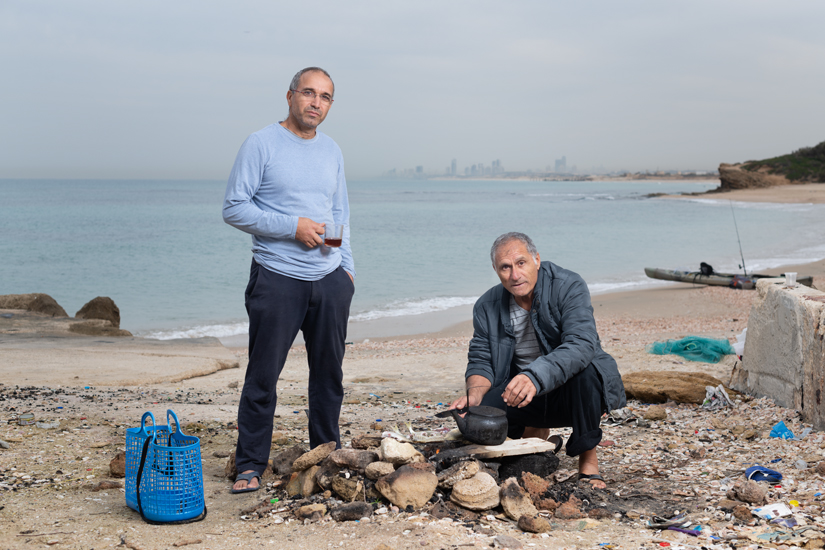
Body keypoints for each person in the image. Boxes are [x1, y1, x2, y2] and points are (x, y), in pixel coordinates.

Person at [222, 67, 355, 493]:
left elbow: (341, 215)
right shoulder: (261, 143)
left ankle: (326, 451)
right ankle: (249, 465)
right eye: (309, 93)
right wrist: (292, 226)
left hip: (329, 279)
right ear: (290, 95)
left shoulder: (332, 150)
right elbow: (234, 208)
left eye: (326, 97)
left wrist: (346, 272)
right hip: (277, 278)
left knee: (328, 375)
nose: (316, 103)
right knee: (264, 376)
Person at [450, 232, 624, 489]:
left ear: (537, 260)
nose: (514, 275)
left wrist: (534, 375)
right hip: (522, 395)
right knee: (482, 408)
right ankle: (535, 434)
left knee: (588, 373)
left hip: (571, 394)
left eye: (521, 263)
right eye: (505, 267)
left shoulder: (568, 285)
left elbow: (581, 344)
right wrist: (473, 396)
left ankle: (588, 460)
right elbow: (481, 359)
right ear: (496, 270)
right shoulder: (486, 306)